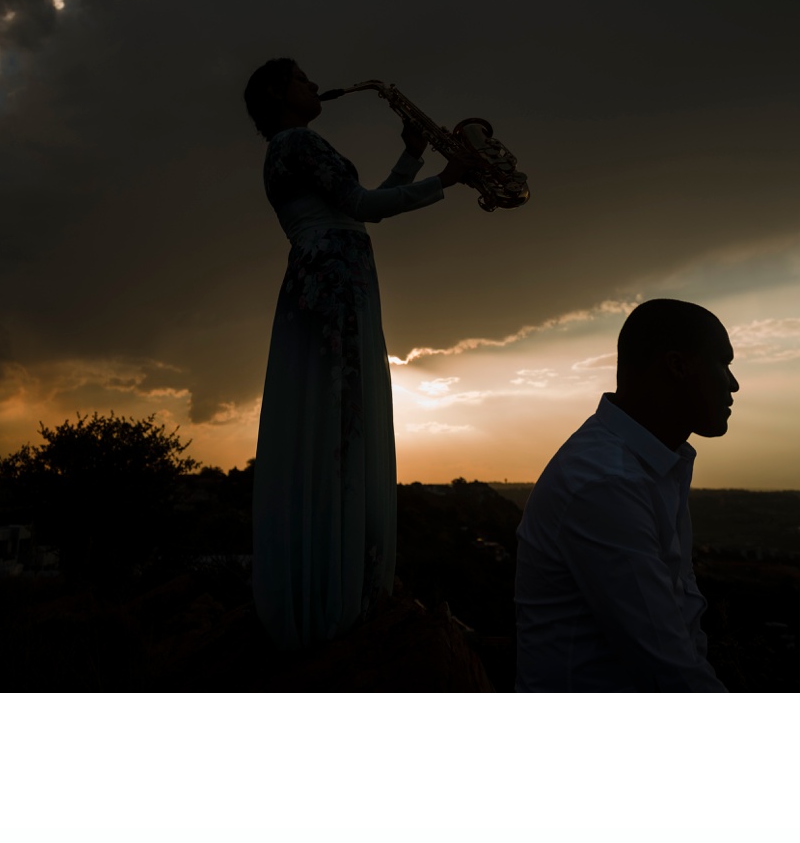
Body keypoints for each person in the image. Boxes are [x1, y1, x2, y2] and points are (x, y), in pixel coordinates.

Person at [245, 58, 464, 651]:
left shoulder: (295, 146)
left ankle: (337, 580)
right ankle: (339, 591)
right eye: (300, 79)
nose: (315, 86)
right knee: (342, 426)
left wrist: (417, 159)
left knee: (339, 424)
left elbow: (360, 208)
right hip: (332, 285)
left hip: (335, 279)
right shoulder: (297, 143)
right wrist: (448, 178)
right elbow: (365, 207)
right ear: (276, 94)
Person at [514, 298, 738, 691]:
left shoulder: (652, 465)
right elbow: (668, 670)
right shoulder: (606, 482)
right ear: (678, 366)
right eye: (723, 363)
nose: (733, 384)